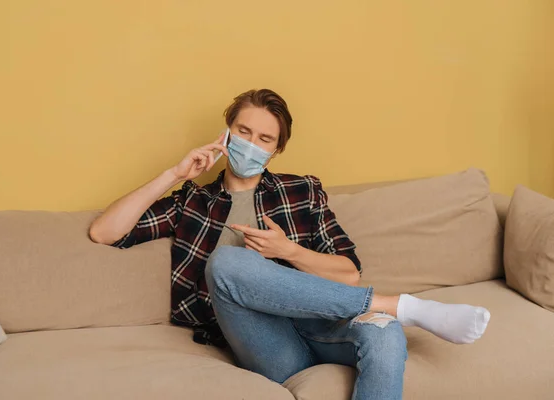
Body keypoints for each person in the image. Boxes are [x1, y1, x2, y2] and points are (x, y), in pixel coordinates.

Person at [89, 89, 491, 400]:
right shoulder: (192, 201)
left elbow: (349, 272)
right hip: (266, 343)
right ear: (226, 132)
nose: (251, 143)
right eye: (243, 132)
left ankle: (392, 312)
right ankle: (402, 305)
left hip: (323, 324)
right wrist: (174, 174)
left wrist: (288, 252)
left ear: (276, 149)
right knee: (227, 263)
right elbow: (105, 232)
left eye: (264, 138)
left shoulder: (302, 191)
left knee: (385, 333)